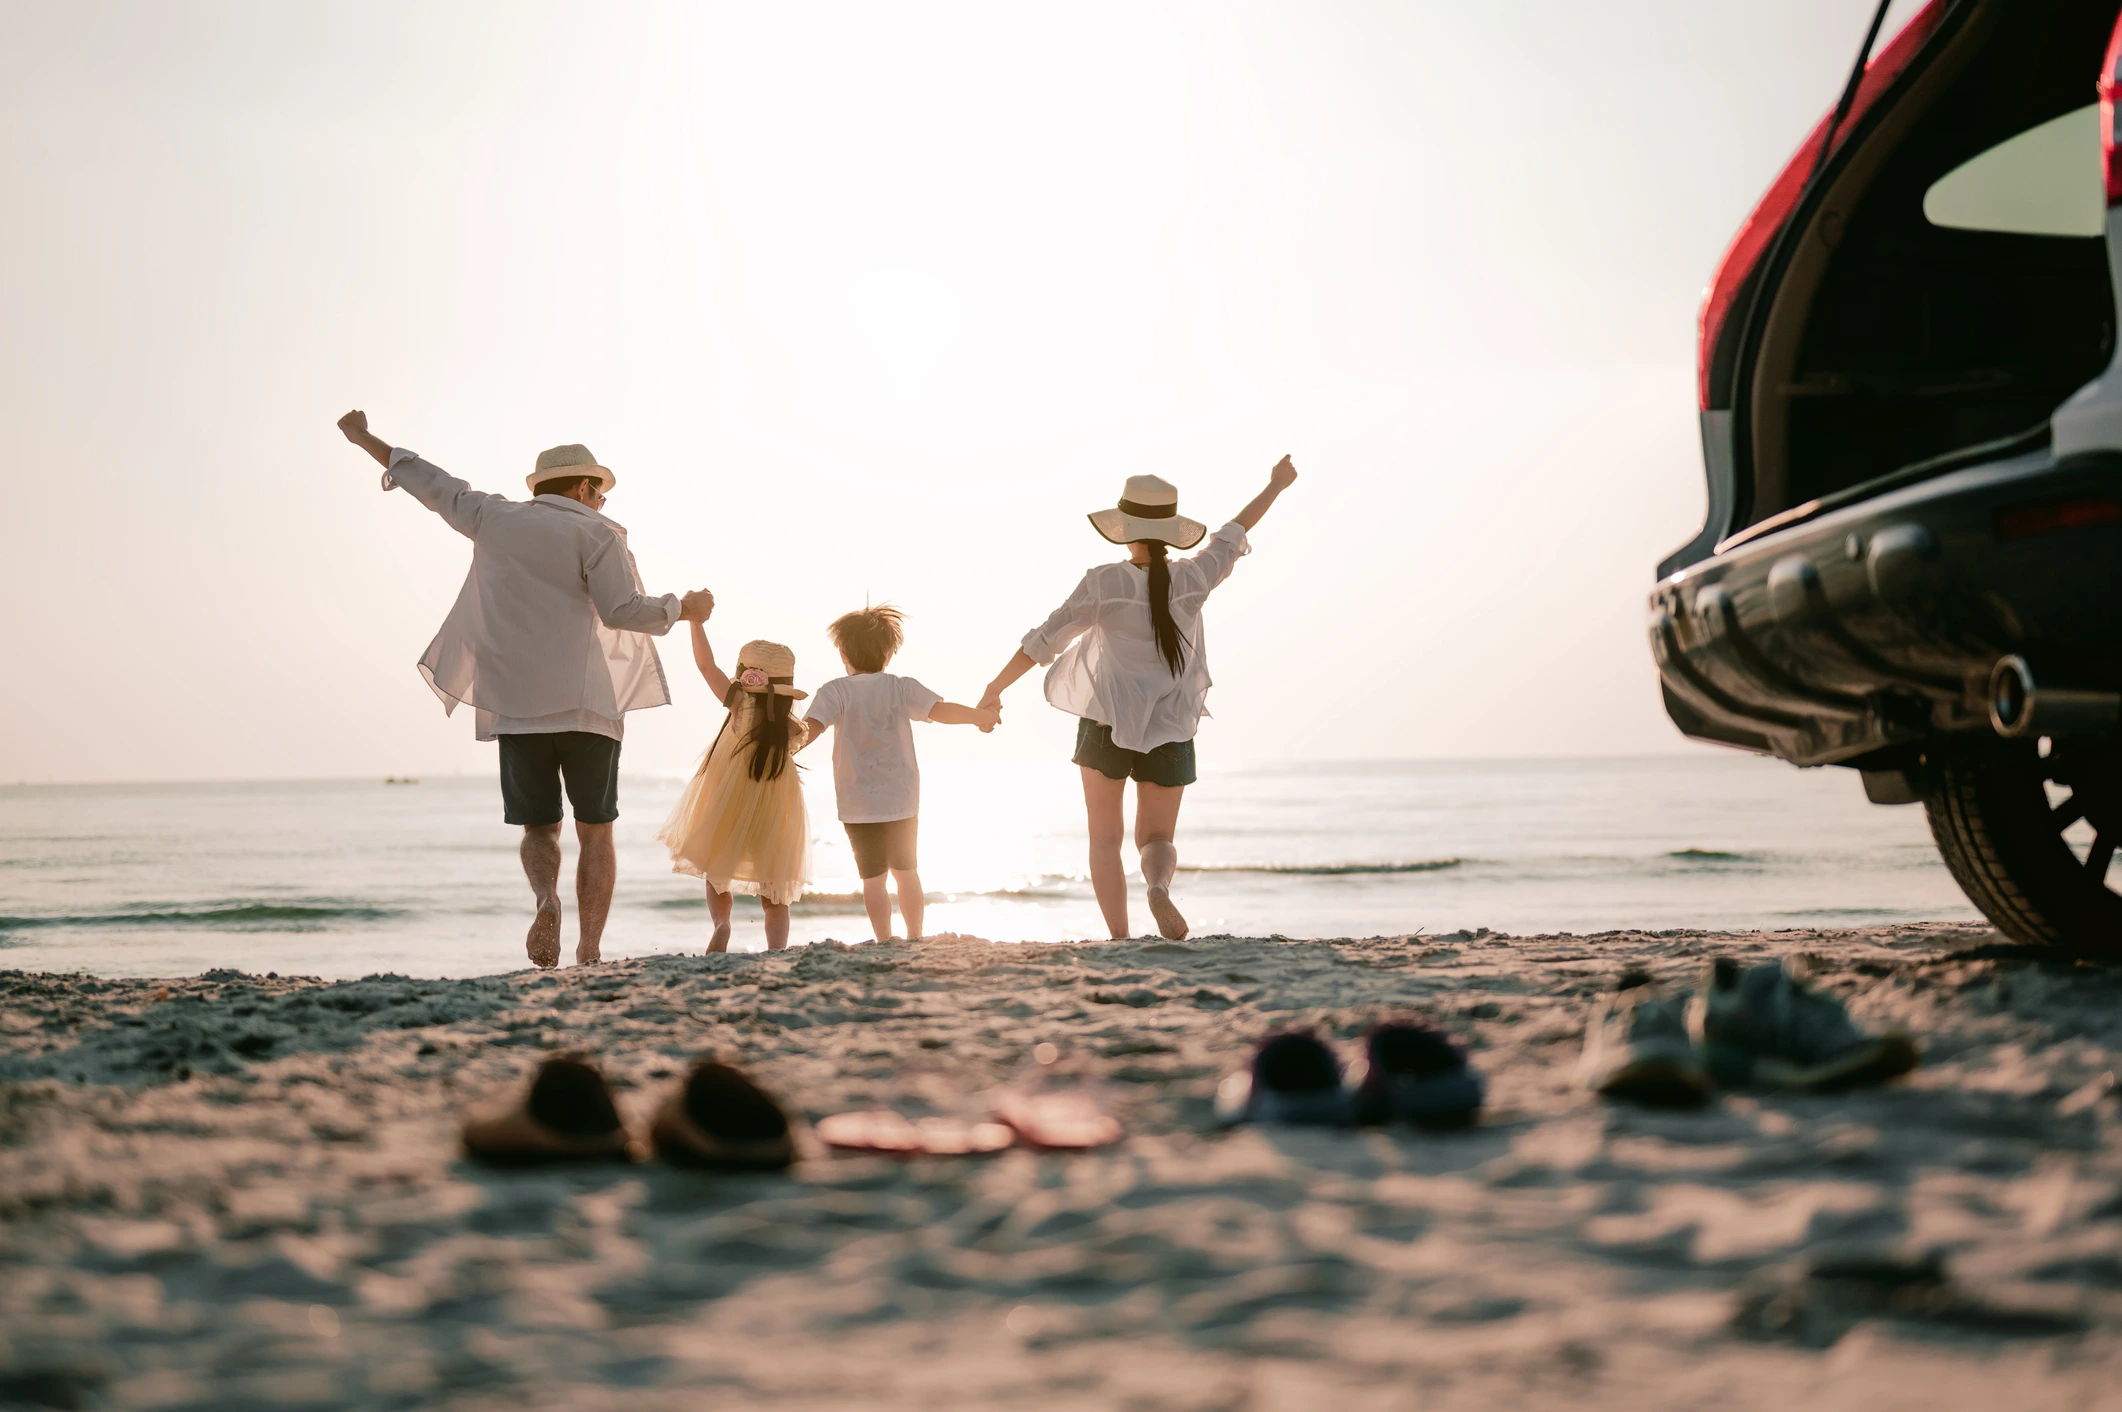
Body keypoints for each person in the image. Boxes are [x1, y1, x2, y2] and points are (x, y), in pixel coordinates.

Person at [336, 410, 713, 969]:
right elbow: (621, 611)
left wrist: (366, 438)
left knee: (540, 826)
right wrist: (682, 608)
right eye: (600, 493)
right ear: (584, 487)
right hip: (587, 706)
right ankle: (588, 950)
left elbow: (431, 484)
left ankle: (545, 899)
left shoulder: (492, 516)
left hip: (515, 706)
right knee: (596, 832)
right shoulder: (595, 533)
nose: (603, 504)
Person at [978, 456, 1300, 940]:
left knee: (1105, 840)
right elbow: (1234, 532)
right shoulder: (1194, 578)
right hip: (1172, 725)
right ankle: (1157, 886)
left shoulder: (1105, 582)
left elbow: (1043, 642)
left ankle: (1121, 939)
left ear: (1125, 529)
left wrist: (993, 689)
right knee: (1156, 838)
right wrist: (1275, 485)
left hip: (1106, 722)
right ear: (1170, 532)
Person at [797, 605, 1001, 943]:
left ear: (843, 653)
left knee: (872, 878)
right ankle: (915, 936)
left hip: (857, 801)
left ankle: (883, 939)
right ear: (888, 655)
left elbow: (810, 729)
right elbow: (942, 711)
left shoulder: (834, 691)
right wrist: (980, 716)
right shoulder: (900, 687)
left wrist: (778, 750)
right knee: (907, 872)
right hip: (901, 799)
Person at [656, 634, 813, 952]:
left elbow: (704, 665)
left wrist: (696, 623)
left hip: (731, 796)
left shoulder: (739, 702)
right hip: (776, 803)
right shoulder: (791, 726)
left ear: (745, 677)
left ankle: (722, 924)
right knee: (774, 889)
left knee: (716, 872)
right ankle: (777, 950)